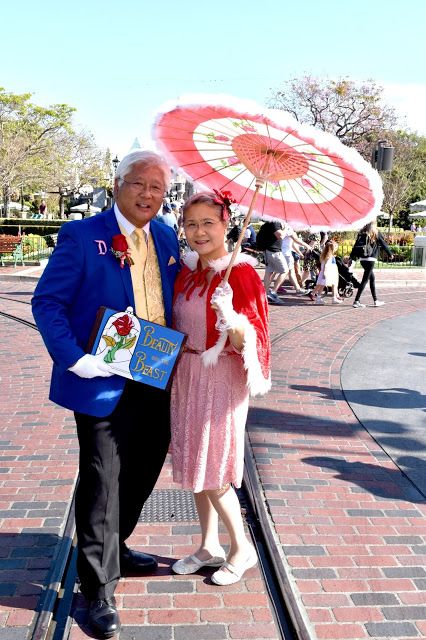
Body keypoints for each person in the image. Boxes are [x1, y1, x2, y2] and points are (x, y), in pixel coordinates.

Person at [31, 151, 181, 639]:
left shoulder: (165, 235)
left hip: (154, 372)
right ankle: (97, 588)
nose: (148, 195)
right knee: (102, 478)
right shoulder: (82, 235)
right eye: (140, 184)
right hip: (100, 377)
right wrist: (75, 358)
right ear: (117, 184)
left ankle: (114, 545)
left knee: (144, 468)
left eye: (158, 188)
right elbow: (47, 301)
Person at [170, 191, 271, 586]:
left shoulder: (242, 272)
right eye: (191, 223)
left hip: (220, 378)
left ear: (226, 225)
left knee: (213, 469)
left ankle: (241, 549)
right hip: (187, 372)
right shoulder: (190, 269)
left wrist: (232, 318)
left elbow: (253, 344)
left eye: (208, 223)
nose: (199, 232)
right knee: (197, 464)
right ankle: (209, 544)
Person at [350, 220, 393, 308]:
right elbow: (383, 244)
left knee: (372, 278)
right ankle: (356, 301)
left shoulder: (361, 232)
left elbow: (355, 246)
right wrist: (390, 254)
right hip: (371, 259)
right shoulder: (375, 232)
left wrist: (351, 257)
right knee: (365, 280)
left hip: (362, 259)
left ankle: (375, 300)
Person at [308, 239, 343, 305]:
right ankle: (329, 298)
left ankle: (322, 298)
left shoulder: (327, 256)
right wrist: (324, 273)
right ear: (332, 248)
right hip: (328, 273)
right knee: (324, 285)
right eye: (335, 248)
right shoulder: (329, 257)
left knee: (323, 285)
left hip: (329, 272)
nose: (336, 249)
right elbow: (326, 266)